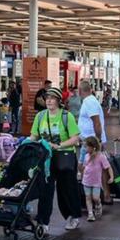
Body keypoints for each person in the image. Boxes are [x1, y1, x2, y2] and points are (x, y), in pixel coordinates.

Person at [32, 87, 83, 231]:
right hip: (46, 158)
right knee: (45, 190)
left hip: (65, 157)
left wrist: (59, 145)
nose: (48, 101)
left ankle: (73, 216)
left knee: (66, 188)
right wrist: (24, 143)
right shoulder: (40, 116)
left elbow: (75, 138)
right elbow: (34, 136)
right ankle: (43, 222)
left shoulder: (67, 116)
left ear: (58, 101)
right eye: (47, 98)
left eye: (52, 98)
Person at [79, 136, 111, 221]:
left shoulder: (100, 156)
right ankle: (90, 214)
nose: (85, 148)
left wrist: (111, 177)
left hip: (96, 182)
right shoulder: (86, 156)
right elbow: (84, 167)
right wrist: (81, 172)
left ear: (92, 147)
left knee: (95, 198)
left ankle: (98, 204)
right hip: (86, 180)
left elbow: (108, 167)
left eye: (86, 146)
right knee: (88, 197)